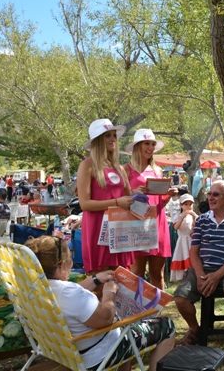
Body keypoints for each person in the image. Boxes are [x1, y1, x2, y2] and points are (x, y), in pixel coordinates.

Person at [25, 235, 175, 371]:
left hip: (68, 352)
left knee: (125, 320)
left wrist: (96, 279)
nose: (71, 262)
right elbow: (105, 318)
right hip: (99, 355)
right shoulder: (68, 293)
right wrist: (109, 295)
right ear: (61, 264)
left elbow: (72, 297)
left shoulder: (36, 288)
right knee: (167, 325)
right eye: (70, 258)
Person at [174, 180, 224, 365]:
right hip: (204, 268)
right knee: (180, 297)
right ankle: (195, 330)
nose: (210, 197)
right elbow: (194, 252)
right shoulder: (202, 219)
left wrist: (217, 275)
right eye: (210, 194)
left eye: (216, 194)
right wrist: (201, 276)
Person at [77, 118, 135, 273]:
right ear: (97, 140)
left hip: (119, 227)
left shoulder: (119, 168)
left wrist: (147, 193)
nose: (112, 139)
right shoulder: (87, 165)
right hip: (97, 228)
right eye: (107, 135)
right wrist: (117, 202)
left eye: (114, 135)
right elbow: (84, 204)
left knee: (122, 278)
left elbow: (129, 197)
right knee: (100, 280)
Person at [125, 128, 176, 291]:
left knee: (157, 274)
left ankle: (157, 313)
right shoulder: (126, 170)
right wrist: (133, 193)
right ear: (137, 146)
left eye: (152, 144)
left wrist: (169, 195)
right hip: (136, 225)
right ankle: (135, 313)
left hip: (158, 224)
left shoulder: (158, 170)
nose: (150, 147)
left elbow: (160, 202)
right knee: (136, 273)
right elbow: (119, 198)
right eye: (146, 143)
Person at [170, 194, 197, 282]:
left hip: (192, 241)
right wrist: (182, 217)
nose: (188, 206)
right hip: (182, 241)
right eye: (186, 204)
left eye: (190, 204)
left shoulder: (193, 216)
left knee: (193, 258)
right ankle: (184, 276)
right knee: (184, 255)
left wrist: (194, 217)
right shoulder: (178, 216)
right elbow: (176, 227)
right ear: (181, 205)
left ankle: (193, 275)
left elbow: (195, 228)